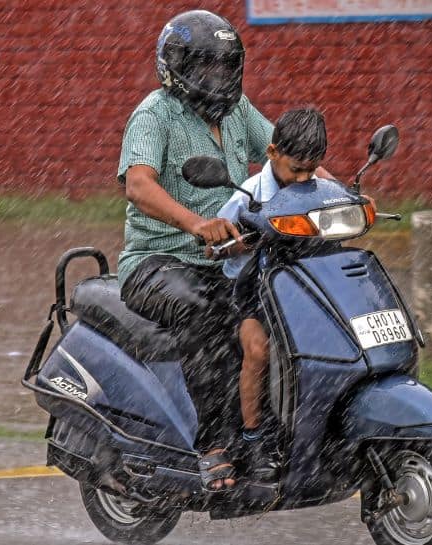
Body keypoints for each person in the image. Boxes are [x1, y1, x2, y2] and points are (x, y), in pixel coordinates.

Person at [115, 9, 272, 492]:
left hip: (225, 258)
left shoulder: (237, 109)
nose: (218, 77)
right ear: (175, 66)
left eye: (227, 66)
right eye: (206, 66)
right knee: (208, 314)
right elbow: (139, 185)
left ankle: (266, 433)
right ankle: (215, 445)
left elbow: (283, 154)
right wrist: (195, 223)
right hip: (157, 262)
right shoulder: (154, 114)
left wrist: (338, 196)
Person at [216, 108, 328, 482]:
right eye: (296, 169)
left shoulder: (315, 188)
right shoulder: (247, 196)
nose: (303, 178)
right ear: (272, 152)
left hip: (300, 289)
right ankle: (252, 437)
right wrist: (235, 242)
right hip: (253, 291)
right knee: (258, 349)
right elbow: (213, 247)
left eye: (311, 171)